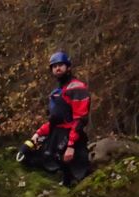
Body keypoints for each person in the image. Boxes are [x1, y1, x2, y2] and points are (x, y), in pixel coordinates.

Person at [18, 51, 92, 187]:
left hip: (72, 138)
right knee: (29, 155)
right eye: (54, 66)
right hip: (56, 136)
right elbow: (53, 122)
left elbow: (80, 120)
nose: (57, 68)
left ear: (68, 67)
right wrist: (35, 137)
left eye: (60, 65)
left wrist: (71, 146)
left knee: (74, 172)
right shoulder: (56, 92)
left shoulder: (77, 88)